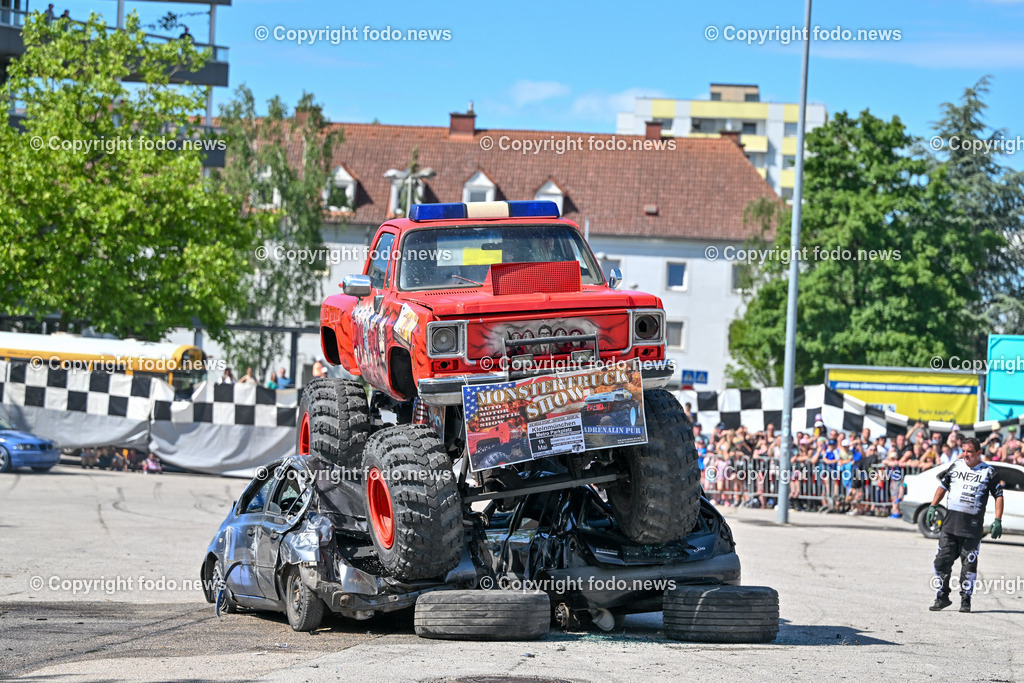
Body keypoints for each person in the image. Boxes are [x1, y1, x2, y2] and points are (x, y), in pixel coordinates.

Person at [926, 438, 1003, 613]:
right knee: (940, 563)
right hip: (949, 526)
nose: (966, 454)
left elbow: (999, 495)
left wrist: (998, 520)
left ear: (978, 453)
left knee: (968, 567)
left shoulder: (989, 472)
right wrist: (933, 505)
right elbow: (943, 486)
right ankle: (942, 596)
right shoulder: (956, 466)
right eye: (964, 451)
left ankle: (966, 600)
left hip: (972, 528)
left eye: (970, 451)